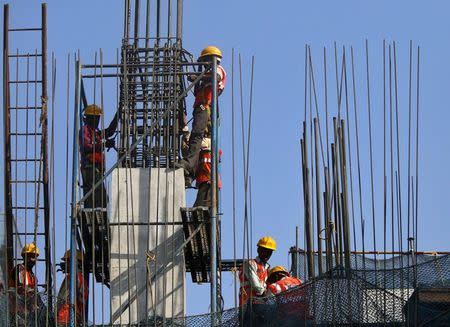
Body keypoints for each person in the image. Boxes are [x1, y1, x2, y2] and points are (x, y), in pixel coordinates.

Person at [176, 46, 226, 185]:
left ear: (211, 59)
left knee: (197, 135)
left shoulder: (217, 70)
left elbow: (215, 78)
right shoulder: (206, 74)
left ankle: (189, 165)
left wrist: (197, 77)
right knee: (196, 138)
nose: (203, 65)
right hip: (201, 108)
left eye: (204, 61)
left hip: (206, 107)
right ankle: (190, 172)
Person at [79, 104, 117, 209]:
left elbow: (110, 131)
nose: (98, 121)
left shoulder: (96, 134)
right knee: (100, 198)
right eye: (96, 118)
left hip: (96, 171)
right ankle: (94, 216)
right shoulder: (85, 130)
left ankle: (94, 214)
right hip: (90, 168)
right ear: (90, 118)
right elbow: (86, 147)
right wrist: (104, 145)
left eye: (99, 118)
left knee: (98, 198)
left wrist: (117, 115)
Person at [238, 237, 276, 326]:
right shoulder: (250, 264)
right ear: (258, 250)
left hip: (261, 307)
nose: (267, 254)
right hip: (248, 305)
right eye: (265, 250)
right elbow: (258, 288)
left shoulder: (267, 269)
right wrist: (268, 295)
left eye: (270, 252)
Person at [8, 243, 39, 323]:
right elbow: (21, 289)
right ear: (25, 257)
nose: (34, 260)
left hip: (27, 312)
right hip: (18, 310)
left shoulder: (32, 275)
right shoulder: (20, 269)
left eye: (35, 257)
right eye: (31, 257)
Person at [56, 250, 89, 326]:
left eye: (67, 261)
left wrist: (54, 314)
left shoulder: (72, 277)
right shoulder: (83, 280)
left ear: (75, 262)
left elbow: (62, 298)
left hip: (65, 317)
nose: (64, 264)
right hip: (76, 319)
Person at [193, 137, 222, 207]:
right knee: (204, 203)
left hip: (208, 181)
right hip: (207, 181)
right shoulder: (209, 155)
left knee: (203, 204)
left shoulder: (206, 155)